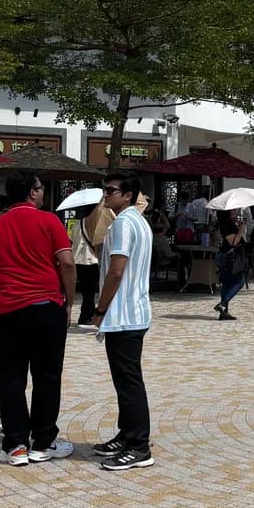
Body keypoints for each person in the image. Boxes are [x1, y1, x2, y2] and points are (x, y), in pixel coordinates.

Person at [0, 171, 76, 466]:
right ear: (32, 192)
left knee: (12, 378)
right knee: (47, 376)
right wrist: (69, 299)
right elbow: (67, 263)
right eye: (41, 188)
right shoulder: (49, 221)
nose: (43, 193)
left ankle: (15, 445)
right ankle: (43, 443)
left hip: (7, 311)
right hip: (46, 305)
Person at [90, 172, 156, 470]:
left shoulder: (122, 224)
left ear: (127, 195)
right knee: (126, 380)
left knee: (129, 382)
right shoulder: (139, 222)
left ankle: (139, 444)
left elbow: (116, 270)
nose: (106, 194)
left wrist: (100, 308)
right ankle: (128, 434)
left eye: (111, 190)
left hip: (124, 314)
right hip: (134, 312)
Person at [70, 207, 102, 329]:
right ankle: (84, 317)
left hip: (77, 260)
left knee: (85, 291)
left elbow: (72, 240)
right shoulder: (94, 225)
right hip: (90, 261)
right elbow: (95, 244)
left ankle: (89, 315)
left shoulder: (76, 224)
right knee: (90, 292)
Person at [214, 210, 248, 320]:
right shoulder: (226, 225)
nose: (236, 213)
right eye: (233, 211)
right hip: (230, 257)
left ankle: (224, 312)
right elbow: (233, 242)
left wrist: (239, 227)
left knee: (227, 284)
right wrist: (241, 229)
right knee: (239, 281)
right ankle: (223, 304)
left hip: (227, 256)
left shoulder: (227, 224)